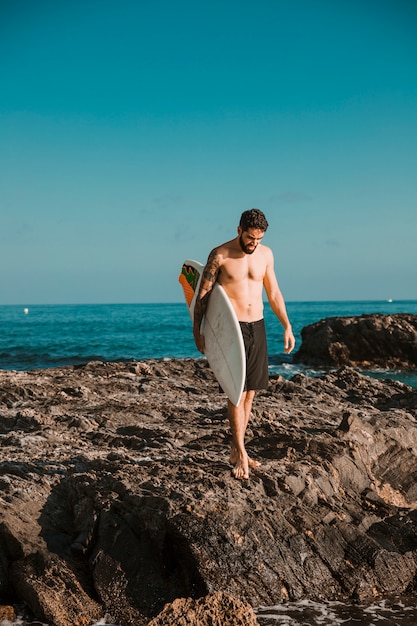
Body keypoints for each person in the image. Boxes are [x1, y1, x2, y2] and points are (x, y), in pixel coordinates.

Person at [193, 208, 295, 480]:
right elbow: (202, 294)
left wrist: (287, 325)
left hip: (257, 326)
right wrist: (198, 329)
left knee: (250, 393)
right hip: (233, 328)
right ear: (239, 230)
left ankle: (238, 451)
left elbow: (273, 292)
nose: (254, 244)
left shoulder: (266, 255)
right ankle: (240, 452)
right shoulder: (220, 255)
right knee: (236, 393)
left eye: (258, 239)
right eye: (250, 238)